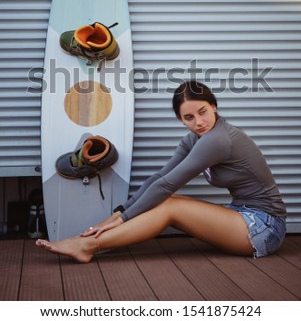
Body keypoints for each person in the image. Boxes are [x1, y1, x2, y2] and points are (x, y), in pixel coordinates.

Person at [36, 80, 286, 263]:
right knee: (167, 201)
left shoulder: (219, 139)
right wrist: (119, 213)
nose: (198, 122)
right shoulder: (194, 139)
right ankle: (94, 241)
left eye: (203, 112)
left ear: (214, 106)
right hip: (242, 215)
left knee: (170, 205)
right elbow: (159, 178)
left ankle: (87, 245)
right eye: (189, 117)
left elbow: (168, 185)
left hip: (264, 227)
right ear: (181, 120)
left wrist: (120, 220)